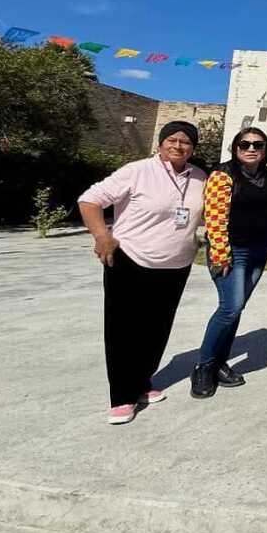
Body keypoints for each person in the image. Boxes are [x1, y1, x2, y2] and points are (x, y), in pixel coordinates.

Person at [77, 121, 208, 425]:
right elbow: (90, 200)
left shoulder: (199, 177)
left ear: (193, 148)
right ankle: (121, 397)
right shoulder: (136, 171)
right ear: (161, 143)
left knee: (157, 329)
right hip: (131, 261)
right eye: (172, 140)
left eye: (186, 142)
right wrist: (102, 235)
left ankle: (141, 383)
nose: (178, 146)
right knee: (124, 331)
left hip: (175, 266)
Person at [190, 127, 267, 398]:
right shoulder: (223, 174)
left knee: (236, 309)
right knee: (230, 307)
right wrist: (220, 253)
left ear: (265, 149)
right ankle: (203, 366)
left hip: (259, 249)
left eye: (258, 145)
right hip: (233, 251)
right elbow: (214, 218)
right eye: (245, 144)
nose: (251, 149)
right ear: (235, 147)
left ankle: (219, 362)